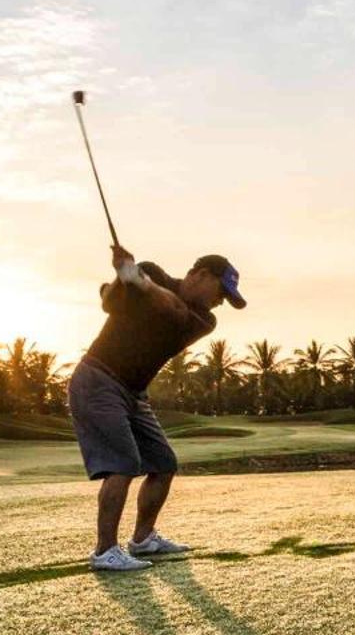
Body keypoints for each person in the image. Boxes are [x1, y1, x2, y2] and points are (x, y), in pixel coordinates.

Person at [68, 244, 245, 571]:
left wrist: (139, 281)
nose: (221, 301)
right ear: (200, 275)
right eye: (221, 292)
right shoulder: (152, 271)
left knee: (163, 463)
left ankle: (143, 539)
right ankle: (105, 551)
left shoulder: (204, 319)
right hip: (97, 379)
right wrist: (123, 278)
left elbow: (172, 311)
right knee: (123, 463)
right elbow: (109, 303)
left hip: (134, 393)